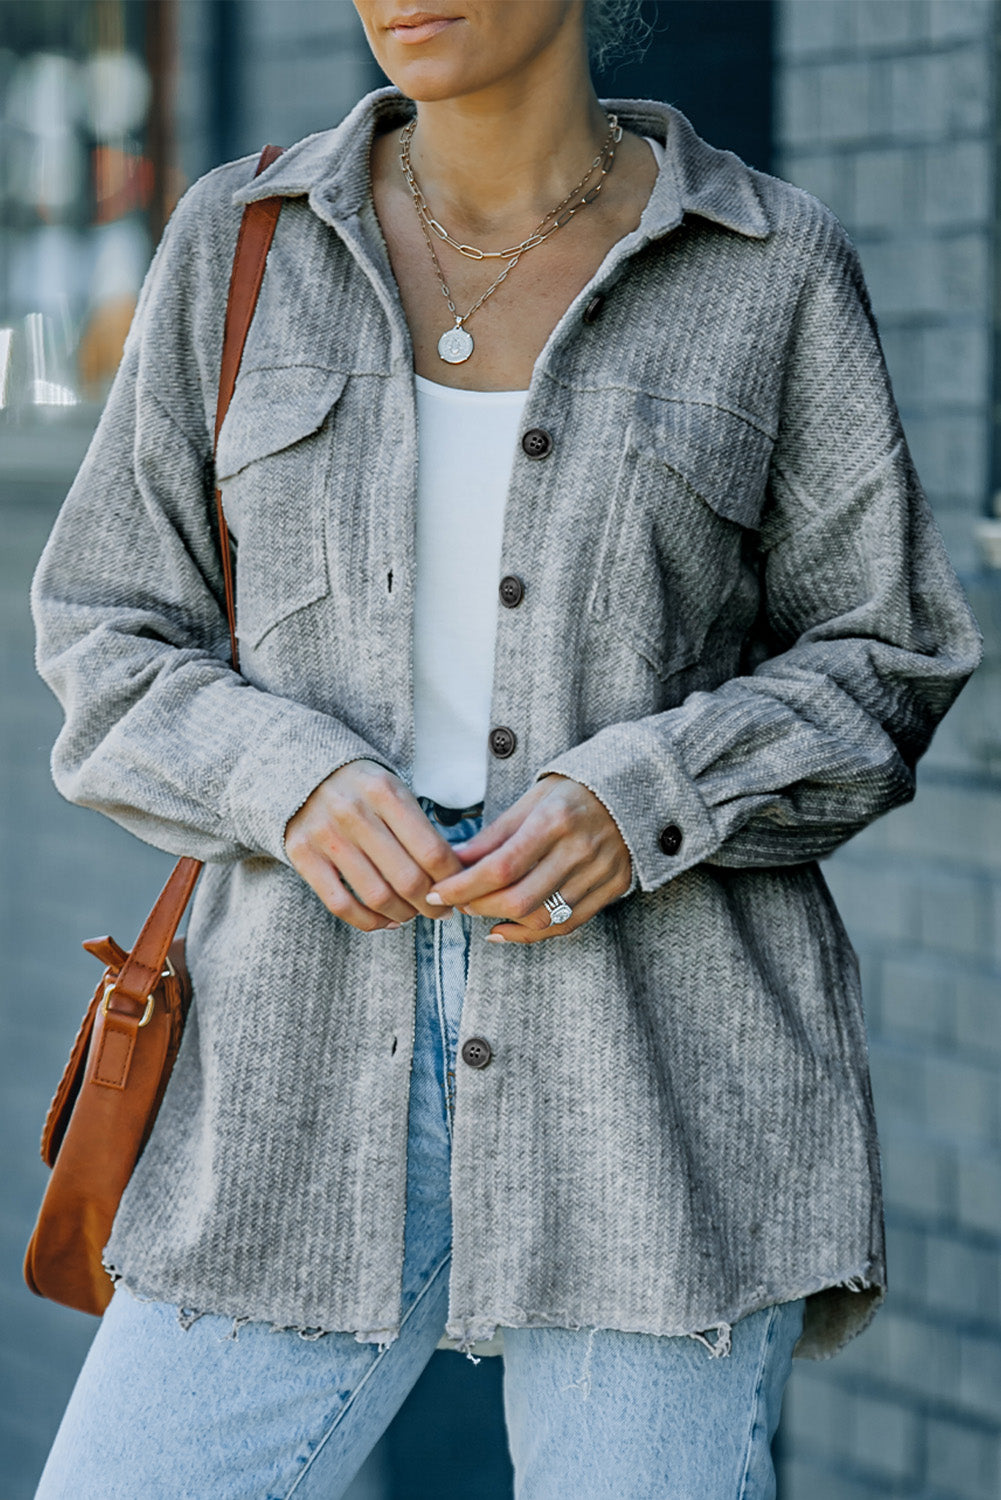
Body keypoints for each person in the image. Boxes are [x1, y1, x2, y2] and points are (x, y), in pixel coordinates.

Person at [31, 2, 982, 1496]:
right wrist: (292, 780)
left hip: (661, 1079)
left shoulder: (766, 264)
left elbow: (886, 654)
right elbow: (106, 633)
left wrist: (649, 795)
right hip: (289, 1073)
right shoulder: (238, 239)